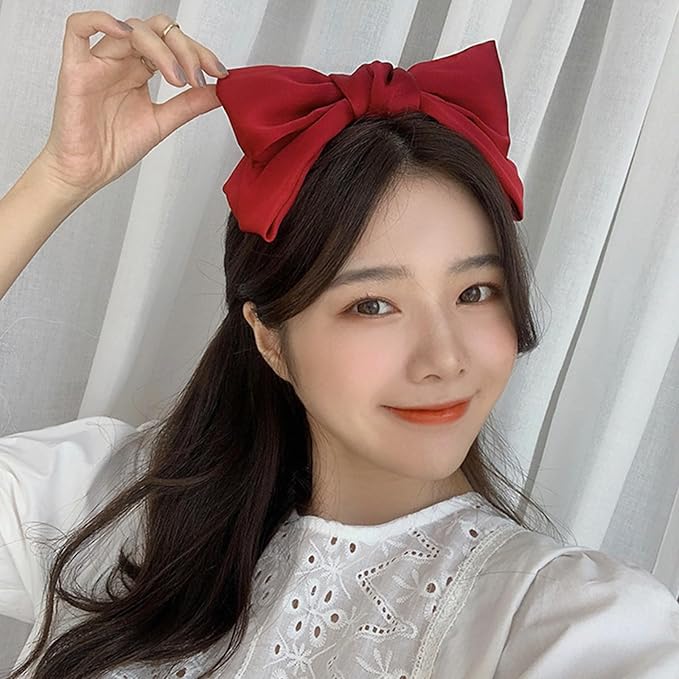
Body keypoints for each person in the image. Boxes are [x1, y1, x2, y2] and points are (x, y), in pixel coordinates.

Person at [1, 9, 678, 679]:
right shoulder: (118, 504)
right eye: (373, 305)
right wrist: (59, 178)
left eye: (475, 292)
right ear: (269, 338)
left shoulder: (565, 624)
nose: (444, 359)